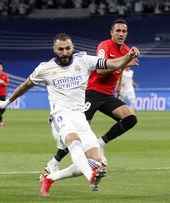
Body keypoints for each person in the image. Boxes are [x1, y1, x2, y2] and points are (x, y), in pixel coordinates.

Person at [0, 33, 140, 196]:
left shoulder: (83, 61)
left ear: (73, 48)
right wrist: (6, 103)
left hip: (79, 116)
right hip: (60, 115)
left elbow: (113, 63)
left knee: (96, 163)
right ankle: (90, 177)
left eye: (68, 48)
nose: (64, 52)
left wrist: (128, 56)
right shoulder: (45, 68)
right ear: (54, 50)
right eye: (60, 49)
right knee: (73, 140)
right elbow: (25, 85)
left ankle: (50, 178)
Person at [44, 18, 138, 173]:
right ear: (112, 32)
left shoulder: (126, 50)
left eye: (124, 31)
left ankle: (100, 143)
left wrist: (119, 89)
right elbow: (100, 71)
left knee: (130, 119)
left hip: (108, 95)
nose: (121, 34)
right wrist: (123, 63)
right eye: (118, 31)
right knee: (79, 131)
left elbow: (119, 71)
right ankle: (54, 162)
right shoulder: (104, 45)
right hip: (92, 93)